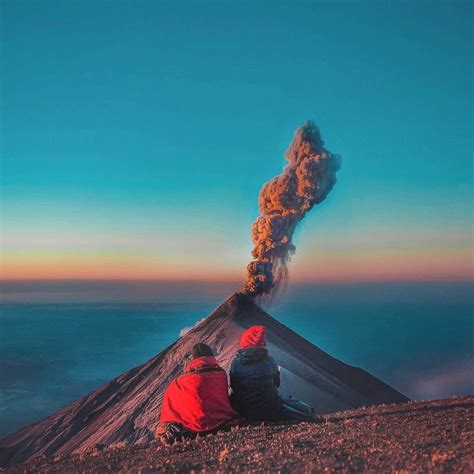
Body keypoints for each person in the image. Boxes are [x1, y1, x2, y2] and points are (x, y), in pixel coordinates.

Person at [230, 325, 316, 422]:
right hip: (270, 410)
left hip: (244, 411)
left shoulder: (235, 363)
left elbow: (233, 385)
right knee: (284, 400)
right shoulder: (269, 361)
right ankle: (306, 412)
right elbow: (277, 383)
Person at [157, 343, 238, 445]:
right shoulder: (221, 374)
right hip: (222, 421)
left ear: (194, 359)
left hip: (194, 427)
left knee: (162, 428)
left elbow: (171, 400)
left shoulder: (181, 381)